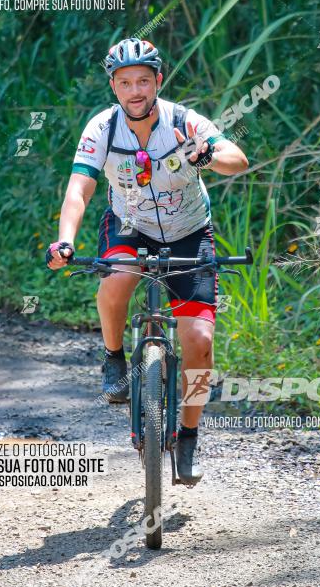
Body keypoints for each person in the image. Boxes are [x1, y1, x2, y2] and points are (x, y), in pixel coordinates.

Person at [46, 38, 248, 484]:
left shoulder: (184, 120)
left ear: (158, 81)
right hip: (129, 226)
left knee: (199, 339)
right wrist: (64, 241)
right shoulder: (102, 128)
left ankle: (190, 434)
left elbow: (238, 158)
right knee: (118, 278)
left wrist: (208, 154)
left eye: (143, 81)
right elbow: (79, 188)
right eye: (124, 83)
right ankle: (114, 358)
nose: (134, 90)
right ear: (113, 88)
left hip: (188, 233)